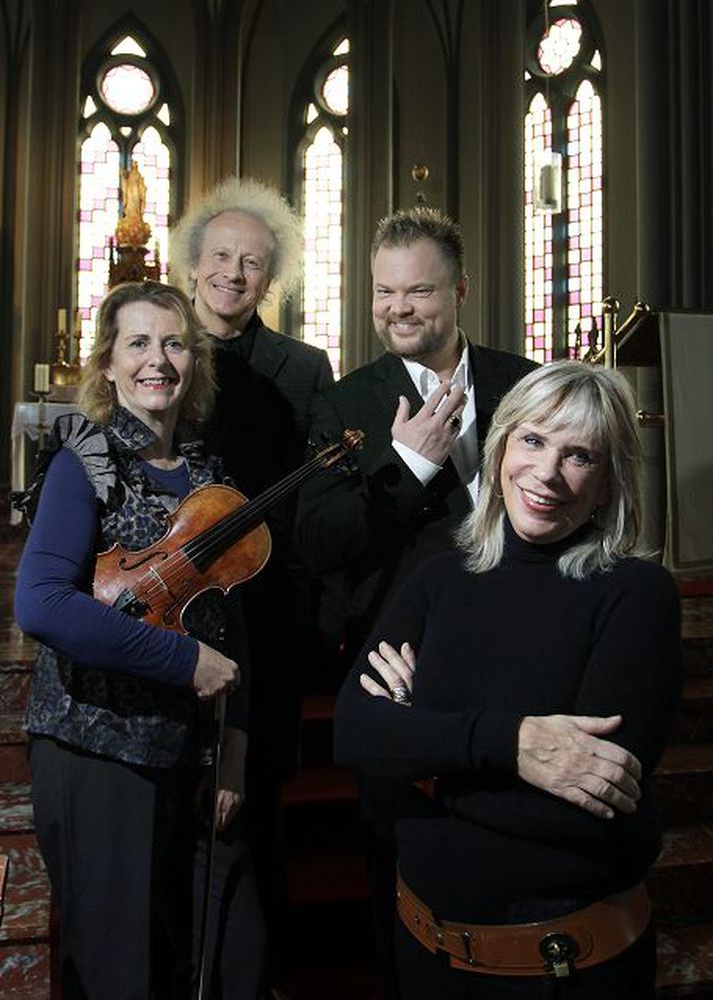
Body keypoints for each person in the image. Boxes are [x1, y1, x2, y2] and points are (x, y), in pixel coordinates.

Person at [334, 360, 683, 999]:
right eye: (533, 440)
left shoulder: (636, 594)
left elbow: (588, 815)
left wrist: (419, 758)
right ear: (500, 449)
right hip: (423, 953)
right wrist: (516, 744)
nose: (547, 473)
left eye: (579, 456)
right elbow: (354, 732)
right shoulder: (441, 577)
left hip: (560, 969)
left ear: (607, 484)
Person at [295, 205, 541, 996]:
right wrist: (405, 463)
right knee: (396, 856)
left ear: (460, 290)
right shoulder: (345, 403)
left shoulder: (525, 383)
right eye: (383, 293)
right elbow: (321, 541)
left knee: (509, 847)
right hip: (399, 665)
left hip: (518, 653)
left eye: (419, 292)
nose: (397, 309)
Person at [14, 281, 263, 999]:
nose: (159, 358)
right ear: (109, 363)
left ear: (195, 361)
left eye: (175, 342)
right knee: (123, 973)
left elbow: (232, 620)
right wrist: (183, 660)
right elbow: (43, 604)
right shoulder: (82, 463)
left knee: (230, 957)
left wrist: (235, 755)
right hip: (100, 755)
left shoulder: (210, 475)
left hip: (197, 755)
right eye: (139, 342)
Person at [170, 176, 334, 990]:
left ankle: (250, 976)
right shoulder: (158, 347)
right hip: (165, 607)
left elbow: (308, 502)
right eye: (223, 256)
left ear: (273, 280)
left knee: (252, 815)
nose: (236, 273)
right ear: (194, 264)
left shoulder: (301, 367)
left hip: (263, 609)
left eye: (255, 263)